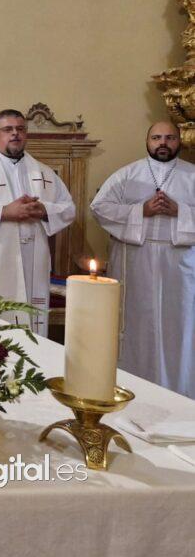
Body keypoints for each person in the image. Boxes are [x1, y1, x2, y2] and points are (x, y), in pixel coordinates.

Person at [90, 121, 195, 397]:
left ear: (179, 141)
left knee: (180, 327)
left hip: (181, 265)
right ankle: (131, 389)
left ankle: (179, 393)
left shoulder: (191, 175)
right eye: (156, 137)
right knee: (137, 325)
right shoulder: (126, 175)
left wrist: (180, 211)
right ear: (147, 141)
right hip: (135, 261)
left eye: (170, 137)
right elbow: (99, 208)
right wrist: (141, 211)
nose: (163, 143)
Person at [0, 109, 75, 334]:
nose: (15, 133)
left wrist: (44, 210)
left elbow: (68, 208)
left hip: (33, 258)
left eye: (20, 129)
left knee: (31, 318)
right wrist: (5, 212)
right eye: (8, 129)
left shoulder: (44, 172)